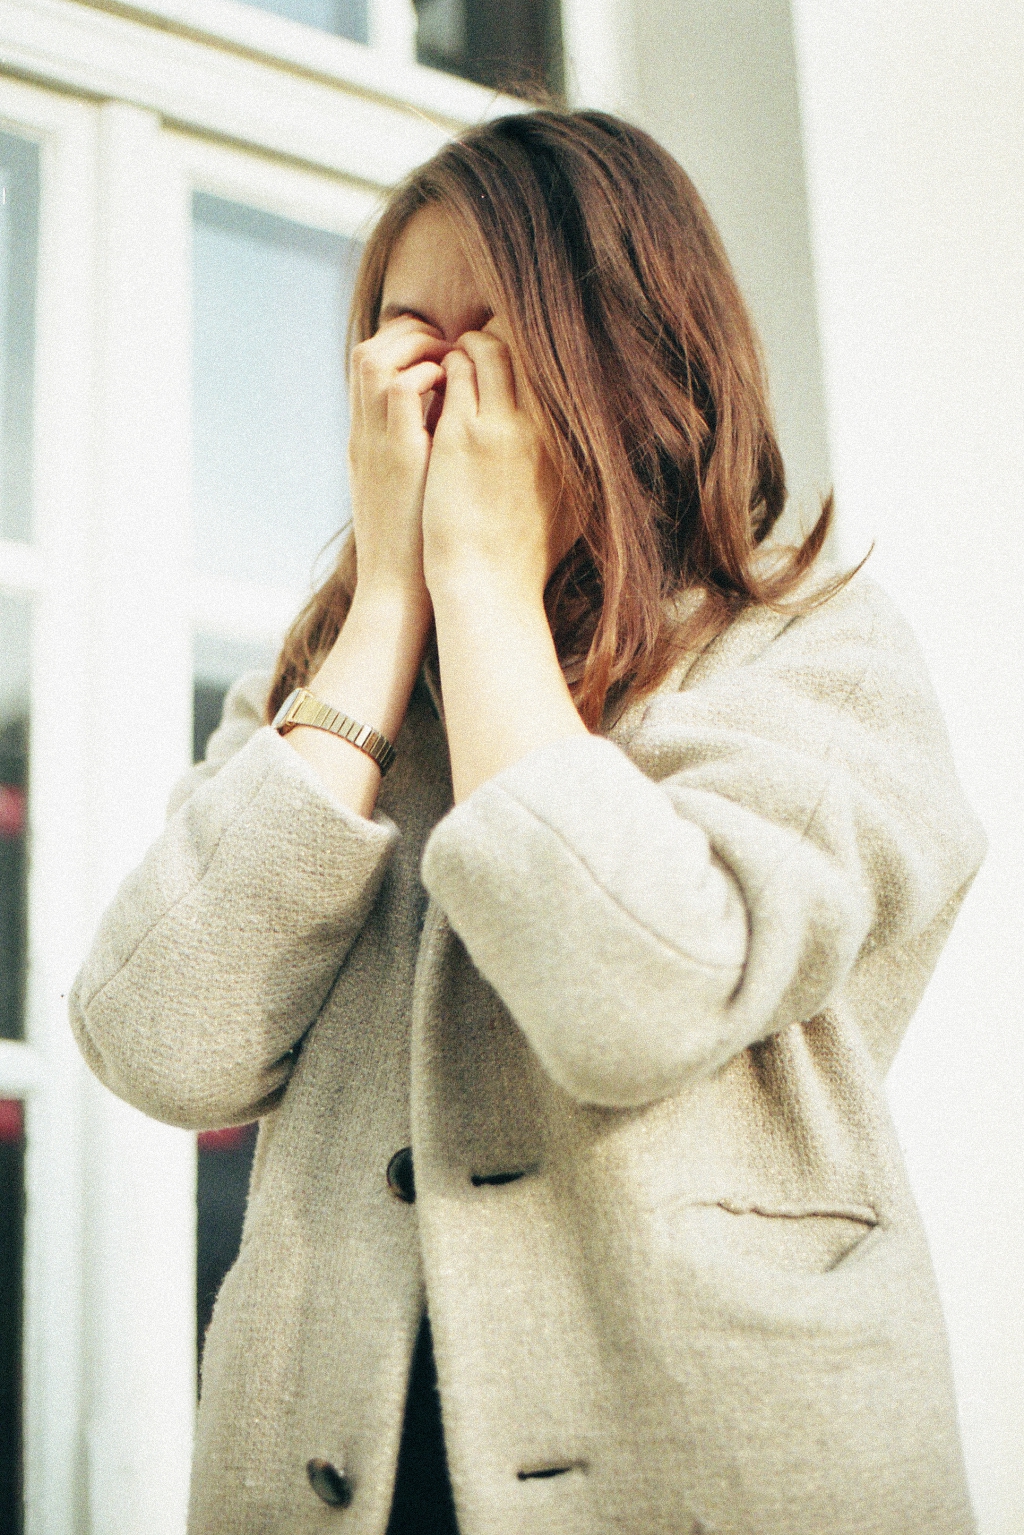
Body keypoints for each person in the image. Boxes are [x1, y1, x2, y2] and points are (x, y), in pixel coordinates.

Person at [69, 109, 986, 1535]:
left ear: (638, 354)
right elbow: (159, 1043)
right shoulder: (322, 693)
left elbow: (639, 993)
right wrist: (388, 605)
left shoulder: (811, 646)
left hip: (720, 1467)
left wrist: (488, 589)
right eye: (402, 336)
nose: (433, 386)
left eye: (491, 337)